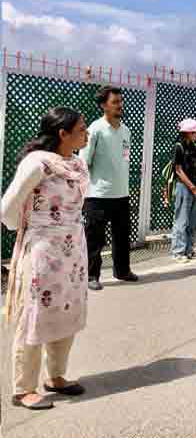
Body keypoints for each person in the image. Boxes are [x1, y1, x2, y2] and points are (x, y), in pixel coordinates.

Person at [2, 107, 90, 410]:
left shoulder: (77, 163)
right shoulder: (37, 163)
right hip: (42, 250)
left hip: (73, 250)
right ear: (62, 134)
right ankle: (23, 387)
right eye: (81, 129)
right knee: (35, 314)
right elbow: (8, 209)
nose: (86, 133)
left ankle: (56, 376)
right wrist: (30, 229)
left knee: (67, 309)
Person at [80, 85, 138, 291]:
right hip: (97, 195)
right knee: (95, 239)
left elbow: (123, 158)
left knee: (122, 236)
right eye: (115, 102)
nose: (120, 105)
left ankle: (122, 271)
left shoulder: (126, 131)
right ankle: (91, 276)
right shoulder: (95, 129)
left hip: (121, 194)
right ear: (104, 105)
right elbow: (84, 162)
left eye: (121, 101)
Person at [170, 118, 196, 262]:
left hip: (195, 188)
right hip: (184, 187)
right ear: (188, 132)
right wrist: (192, 186)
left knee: (193, 221)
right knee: (182, 220)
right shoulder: (178, 147)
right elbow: (178, 170)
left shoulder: (193, 147)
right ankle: (178, 252)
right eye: (195, 133)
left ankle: (189, 250)